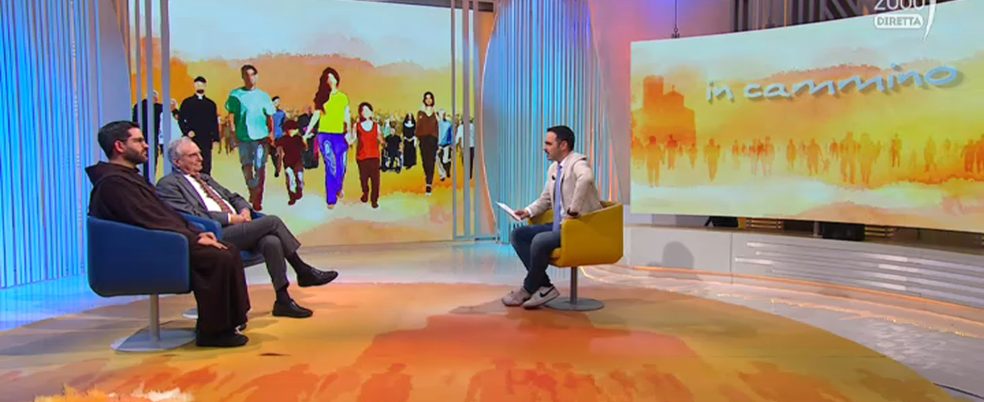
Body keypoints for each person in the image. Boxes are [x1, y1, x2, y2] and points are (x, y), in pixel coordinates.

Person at [86, 121, 250, 347]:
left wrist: (197, 232)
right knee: (217, 257)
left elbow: (165, 214)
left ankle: (228, 323)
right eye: (139, 141)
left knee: (228, 250)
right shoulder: (114, 183)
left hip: (164, 241)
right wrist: (193, 238)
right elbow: (149, 219)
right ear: (119, 146)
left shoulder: (129, 177)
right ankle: (213, 332)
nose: (146, 145)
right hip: (146, 250)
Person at [157, 137, 340, 318]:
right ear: (177, 161)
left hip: (238, 226)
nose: (200, 158)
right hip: (213, 233)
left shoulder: (205, 178)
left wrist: (244, 210)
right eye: (193, 155)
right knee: (272, 221)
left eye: (199, 153)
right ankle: (302, 270)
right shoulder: (169, 185)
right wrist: (231, 218)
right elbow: (191, 215)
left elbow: (233, 197)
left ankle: (283, 300)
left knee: (271, 241)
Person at [501, 125, 603, 309]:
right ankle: (544, 286)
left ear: (563, 145)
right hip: (560, 225)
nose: (544, 148)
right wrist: (527, 211)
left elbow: (586, 178)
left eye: (548, 144)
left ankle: (528, 288)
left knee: (540, 240)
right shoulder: (554, 169)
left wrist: (573, 211)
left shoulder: (577, 163)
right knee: (518, 235)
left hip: (580, 227)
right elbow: (546, 199)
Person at [226, 64, 276, 211]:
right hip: (243, 137)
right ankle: (252, 190)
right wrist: (233, 133)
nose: (250, 78)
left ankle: (258, 198)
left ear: (257, 76)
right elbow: (231, 115)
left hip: (261, 138)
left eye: (253, 75)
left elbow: (270, 117)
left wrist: (271, 133)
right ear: (242, 77)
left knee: (260, 167)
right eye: (247, 75)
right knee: (246, 166)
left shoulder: (264, 96)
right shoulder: (236, 95)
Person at [303, 67, 352, 209]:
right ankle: (331, 199)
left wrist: (349, 131)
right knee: (331, 166)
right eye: (328, 78)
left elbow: (346, 115)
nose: (331, 80)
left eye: (333, 77)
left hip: (340, 135)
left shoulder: (343, 97)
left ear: (337, 79)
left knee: (342, 166)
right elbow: (316, 116)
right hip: (325, 135)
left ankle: (338, 186)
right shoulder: (321, 97)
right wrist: (307, 133)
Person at [178, 76, 220, 175]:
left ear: (205, 86)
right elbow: (181, 119)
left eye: (201, 84)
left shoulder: (211, 104)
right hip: (193, 138)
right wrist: (187, 131)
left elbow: (214, 122)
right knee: (192, 162)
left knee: (206, 165)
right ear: (194, 86)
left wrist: (216, 138)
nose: (199, 86)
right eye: (197, 84)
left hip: (206, 139)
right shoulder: (187, 102)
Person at [355, 102, 383, 208]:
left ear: (371, 112)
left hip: (374, 156)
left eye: (367, 110)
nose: (365, 112)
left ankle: (374, 200)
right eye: (363, 110)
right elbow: (352, 138)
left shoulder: (376, 126)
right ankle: (365, 193)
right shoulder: (357, 126)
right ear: (360, 113)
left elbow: (380, 138)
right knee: (363, 179)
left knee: (375, 180)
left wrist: (385, 143)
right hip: (362, 157)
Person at [276, 120, 307, 204]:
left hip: (298, 161)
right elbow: (279, 150)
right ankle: (292, 196)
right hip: (288, 162)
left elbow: (305, 148)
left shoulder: (298, 138)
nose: (292, 131)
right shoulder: (283, 139)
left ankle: (299, 189)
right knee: (290, 179)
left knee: (299, 177)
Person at [416, 92, 439, 195]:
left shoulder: (436, 113)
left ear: (433, 100)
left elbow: (438, 127)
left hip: (433, 139)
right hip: (423, 139)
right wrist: (416, 139)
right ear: (424, 100)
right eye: (426, 98)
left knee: (431, 161)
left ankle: (429, 183)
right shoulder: (420, 113)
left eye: (430, 98)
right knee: (425, 161)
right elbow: (418, 126)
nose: (428, 100)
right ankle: (427, 177)